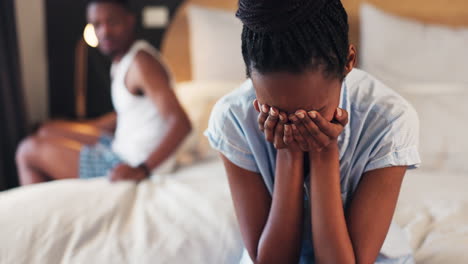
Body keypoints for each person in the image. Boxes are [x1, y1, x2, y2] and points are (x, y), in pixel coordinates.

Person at [205, 0, 420, 263]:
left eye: (313, 113)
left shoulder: (389, 120)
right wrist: (288, 155)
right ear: (249, 75)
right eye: (276, 113)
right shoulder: (233, 118)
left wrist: (324, 152)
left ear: (348, 61)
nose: (295, 125)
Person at [16, 0, 191, 185]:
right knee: (46, 130)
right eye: (96, 25)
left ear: (130, 20)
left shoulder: (141, 63)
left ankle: (41, 210)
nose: (104, 32)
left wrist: (143, 169)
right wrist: (81, 127)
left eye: (112, 22)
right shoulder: (122, 60)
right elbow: (128, 114)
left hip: (130, 162)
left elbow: (181, 123)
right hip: (119, 145)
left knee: (27, 151)